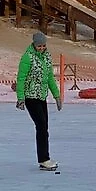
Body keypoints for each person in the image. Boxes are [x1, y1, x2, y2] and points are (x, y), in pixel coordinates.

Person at [15, 30, 62, 171]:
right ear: (34, 45)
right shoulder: (27, 58)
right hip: (30, 97)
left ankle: (44, 158)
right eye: (38, 46)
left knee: (44, 127)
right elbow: (21, 79)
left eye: (43, 46)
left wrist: (57, 95)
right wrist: (20, 98)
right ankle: (44, 159)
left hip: (41, 96)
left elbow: (49, 78)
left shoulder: (46, 56)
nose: (41, 48)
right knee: (41, 126)